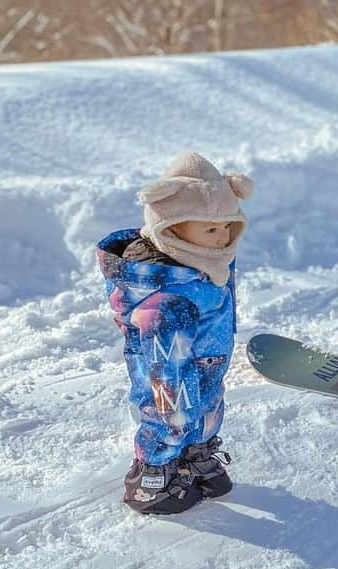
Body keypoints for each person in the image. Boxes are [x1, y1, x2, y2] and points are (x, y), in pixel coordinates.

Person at [97, 152, 253, 515]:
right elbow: (167, 377)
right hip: (172, 389)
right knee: (168, 412)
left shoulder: (203, 262)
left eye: (228, 226)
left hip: (206, 369)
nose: (222, 237)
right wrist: (174, 429)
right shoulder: (166, 294)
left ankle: (194, 455)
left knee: (208, 402)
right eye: (210, 229)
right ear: (172, 227)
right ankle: (155, 473)